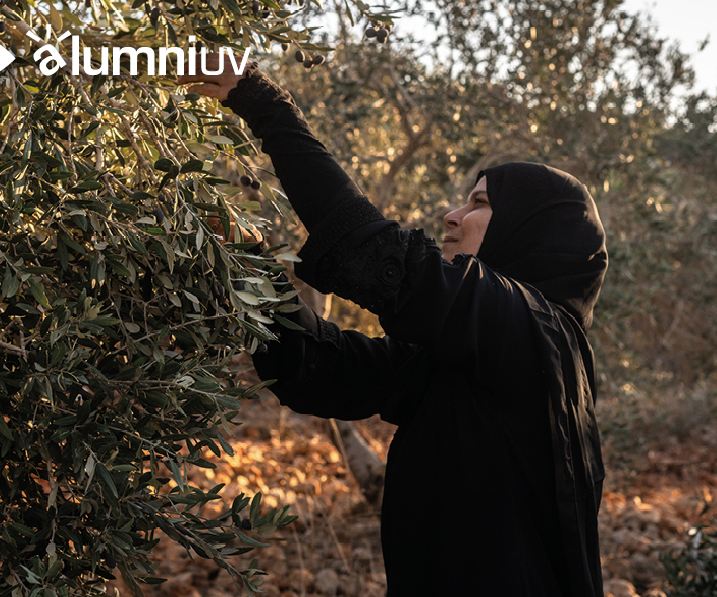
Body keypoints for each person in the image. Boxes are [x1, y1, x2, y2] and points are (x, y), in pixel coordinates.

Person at [180, 55, 607, 597]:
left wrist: (265, 104)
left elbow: (376, 253)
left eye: (479, 204)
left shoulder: (536, 331)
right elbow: (323, 366)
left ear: (531, 231)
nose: (452, 215)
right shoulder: (470, 353)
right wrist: (248, 264)